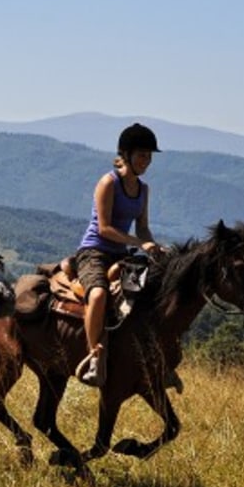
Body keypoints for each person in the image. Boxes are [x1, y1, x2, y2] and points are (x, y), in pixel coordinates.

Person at [74, 123, 163, 387]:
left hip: (121, 254)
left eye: (149, 156)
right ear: (126, 155)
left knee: (147, 296)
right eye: (141, 156)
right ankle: (94, 358)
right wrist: (138, 242)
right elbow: (105, 228)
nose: (146, 162)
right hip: (94, 252)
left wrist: (154, 245)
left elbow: (143, 227)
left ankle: (150, 357)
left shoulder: (143, 190)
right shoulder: (108, 182)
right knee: (99, 294)